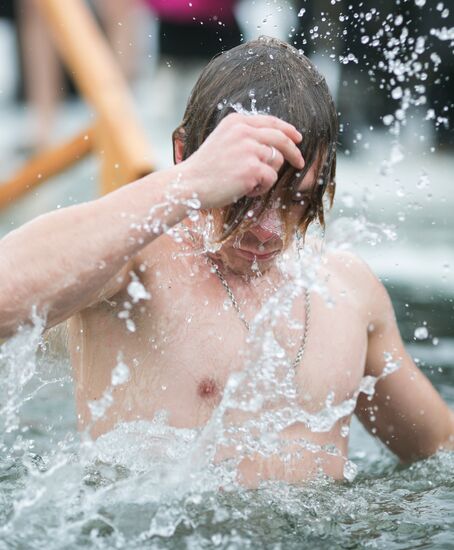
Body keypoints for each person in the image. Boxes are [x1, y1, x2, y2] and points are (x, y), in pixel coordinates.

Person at [0, 37, 453, 487]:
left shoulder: (348, 290)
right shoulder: (135, 264)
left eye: (297, 200)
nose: (269, 230)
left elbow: (440, 454)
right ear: (185, 153)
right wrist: (187, 183)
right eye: (247, 194)